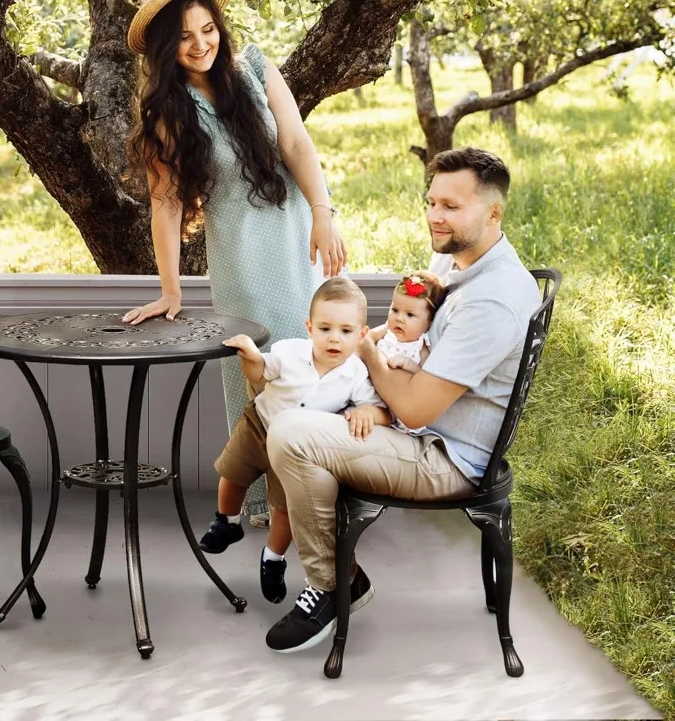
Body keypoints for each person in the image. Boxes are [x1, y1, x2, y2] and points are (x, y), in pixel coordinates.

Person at [264, 147, 541, 653]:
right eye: (431, 201)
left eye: (451, 206)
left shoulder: (493, 297)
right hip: (413, 428)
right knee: (272, 414)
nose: (435, 215)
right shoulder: (455, 259)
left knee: (290, 431)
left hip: (443, 455)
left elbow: (414, 408)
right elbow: (407, 335)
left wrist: (367, 358)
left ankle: (332, 585)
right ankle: (323, 570)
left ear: (493, 212)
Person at [121, 0, 346, 519]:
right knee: (262, 370)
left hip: (299, 240)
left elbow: (295, 141)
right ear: (164, 49)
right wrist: (170, 291)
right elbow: (167, 203)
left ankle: (332, 482)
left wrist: (324, 214)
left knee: (321, 359)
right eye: (185, 37)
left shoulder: (257, 71)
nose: (201, 45)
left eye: (208, 29)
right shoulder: (167, 114)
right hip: (242, 260)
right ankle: (275, 502)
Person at [198, 278, 388, 604]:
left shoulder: (356, 375)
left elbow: (382, 411)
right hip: (260, 426)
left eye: (345, 331)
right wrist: (251, 355)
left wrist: (369, 412)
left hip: (296, 448)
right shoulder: (290, 351)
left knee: (284, 508)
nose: (333, 338)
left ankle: (273, 558)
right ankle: (227, 521)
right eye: (325, 328)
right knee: (232, 473)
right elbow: (260, 373)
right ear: (309, 328)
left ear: (360, 335)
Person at [371, 271, 446, 435]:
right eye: (395, 309)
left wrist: (408, 364)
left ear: (429, 322)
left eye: (410, 314)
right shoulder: (387, 330)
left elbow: (424, 378)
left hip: (393, 406)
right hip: (369, 390)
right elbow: (367, 339)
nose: (399, 318)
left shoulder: (421, 348)